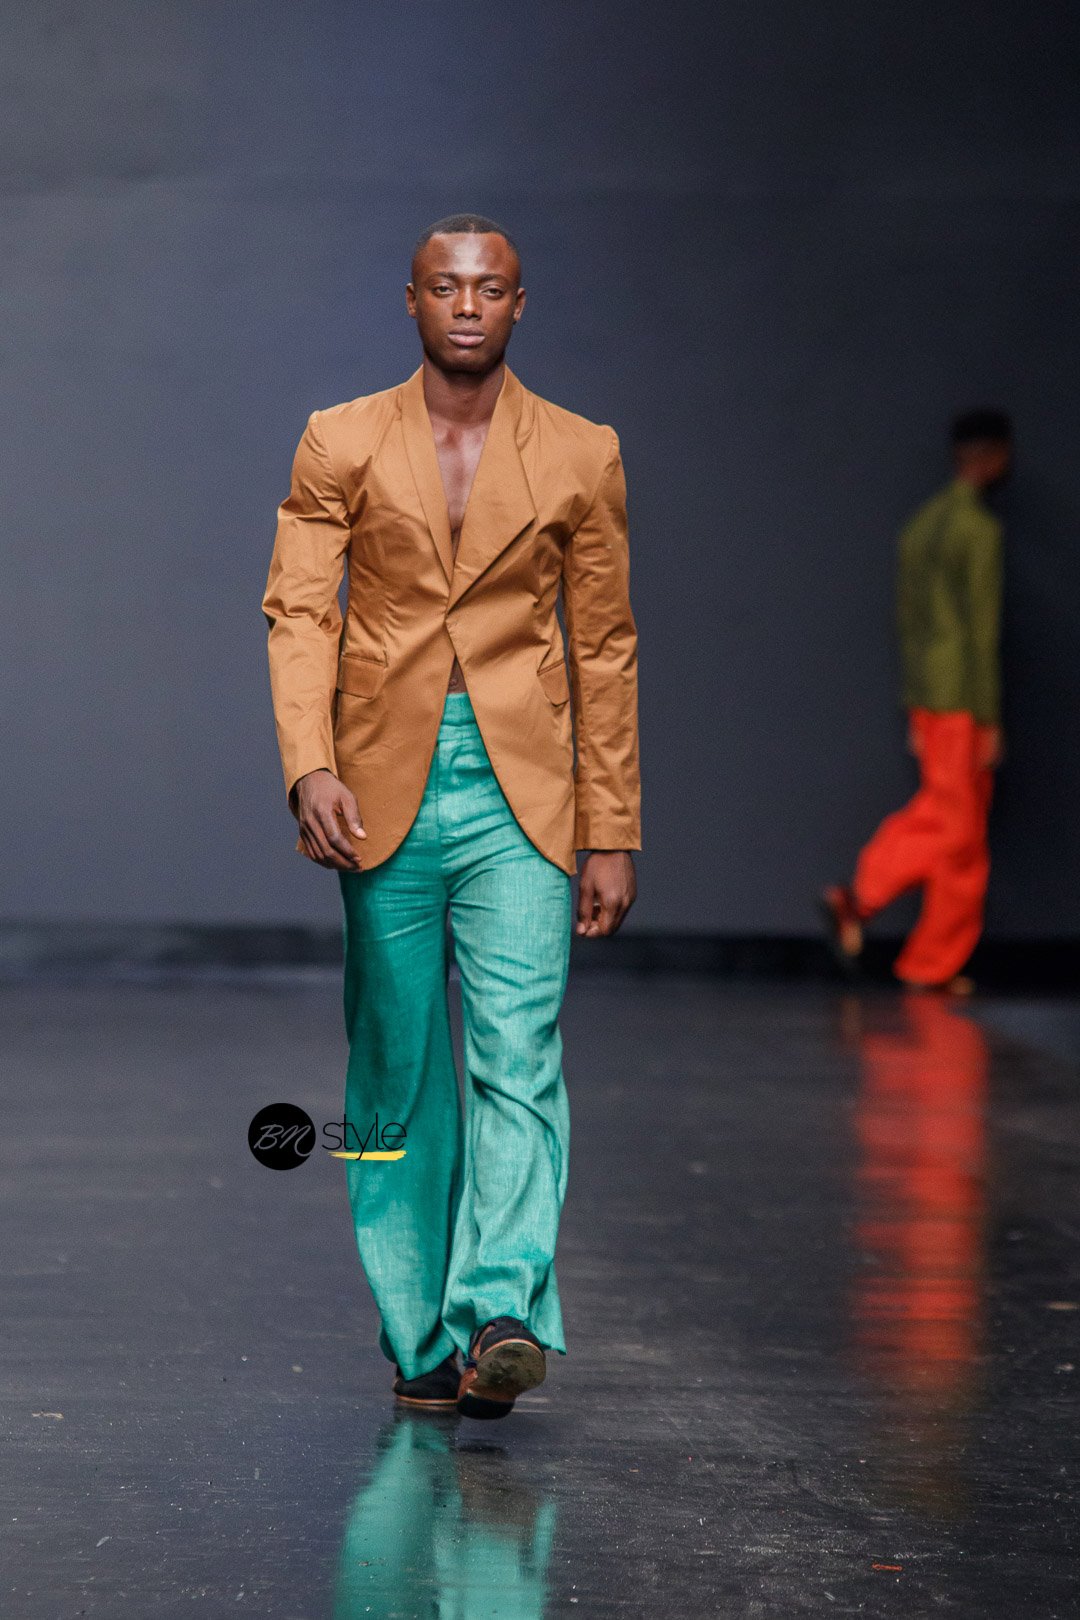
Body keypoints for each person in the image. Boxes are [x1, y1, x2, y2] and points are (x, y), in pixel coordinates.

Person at [260, 214, 641, 1419]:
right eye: (446, 286)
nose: (467, 305)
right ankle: (418, 1334)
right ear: (412, 300)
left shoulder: (582, 451)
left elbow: (605, 644)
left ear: (520, 304)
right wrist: (309, 764)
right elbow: (300, 611)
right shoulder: (341, 437)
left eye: (489, 288)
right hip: (380, 780)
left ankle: (500, 1312)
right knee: (393, 1067)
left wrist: (612, 825)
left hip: (526, 787)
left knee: (519, 1050)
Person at [821, 408, 1011, 993]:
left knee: (958, 828)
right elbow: (982, 631)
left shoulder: (922, 526)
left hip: (930, 694)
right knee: (959, 829)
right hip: (961, 698)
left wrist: (912, 704)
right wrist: (989, 717)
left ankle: (929, 961)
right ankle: (863, 899)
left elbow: (909, 622)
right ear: (993, 456)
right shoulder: (977, 531)